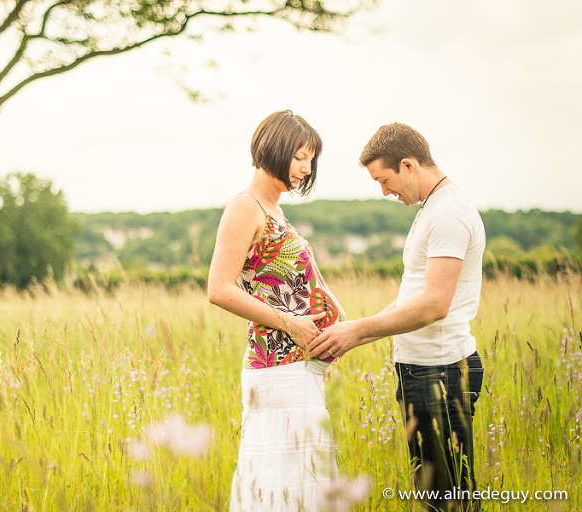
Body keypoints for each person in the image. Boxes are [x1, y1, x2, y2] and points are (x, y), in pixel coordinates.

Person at [308, 122, 486, 511]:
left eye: (384, 180)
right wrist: (353, 335)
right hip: (421, 371)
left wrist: (357, 331)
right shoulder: (433, 209)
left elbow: (435, 305)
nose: (385, 192)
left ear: (409, 165)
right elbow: (412, 298)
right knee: (435, 496)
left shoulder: (449, 212)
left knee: (448, 501)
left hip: (439, 373)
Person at [208, 110, 346, 511]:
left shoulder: (276, 211)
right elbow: (218, 289)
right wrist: (294, 324)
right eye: (300, 156)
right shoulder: (244, 207)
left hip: (298, 368)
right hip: (276, 370)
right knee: (281, 484)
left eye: (311, 159)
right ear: (273, 149)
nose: (306, 168)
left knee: (305, 484)